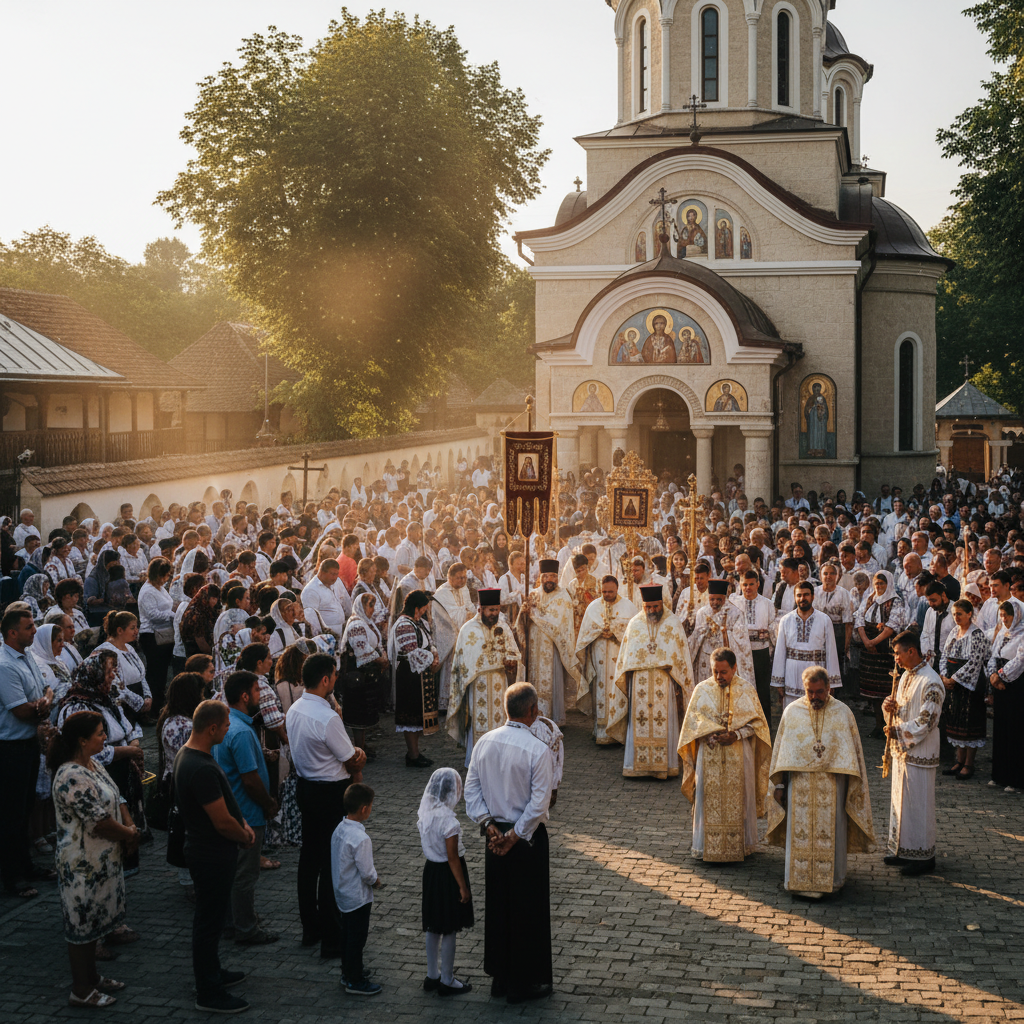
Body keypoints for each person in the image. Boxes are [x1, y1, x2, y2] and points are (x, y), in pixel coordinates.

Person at [464, 682, 553, 1005]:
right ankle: (522, 983)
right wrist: (515, 836)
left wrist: (489, 826)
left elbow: (471, 790)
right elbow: (539, 802)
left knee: (499, 906)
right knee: (527, 910)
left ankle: (500, 977)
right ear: (532, 712)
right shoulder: (537, 749)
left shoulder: (484, 742)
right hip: (525, 840)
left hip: (494, 838)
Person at [49, 710, 138, 1008]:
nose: (105, 737)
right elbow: (97, 821)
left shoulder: (94, 765)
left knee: (97, 919)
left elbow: (116, 796)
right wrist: (127, 833)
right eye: (100, 733)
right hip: (82, 864)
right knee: (82, 928)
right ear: (83, 740)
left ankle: (93, 977)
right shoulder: (70, 775)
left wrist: (129, 823)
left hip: (104, 860)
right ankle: (81, 989)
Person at [766, 666, 875, 898]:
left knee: (831, 831)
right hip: (799, 787)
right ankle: (799, 880)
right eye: (810, 692)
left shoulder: (843, 713)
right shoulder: (792, 712)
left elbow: (852, 756)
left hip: (832, 786)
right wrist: (780, 786)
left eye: (819, 692)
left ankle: (833, 880)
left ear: (828, 689)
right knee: (799, 832)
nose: (815, 697)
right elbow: (782, 755)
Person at [173, 699, 253, 1013]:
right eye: (225, 725)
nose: (228, 729)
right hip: (211, 854)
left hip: (207, 851)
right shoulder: (201, 767)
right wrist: (244, 835)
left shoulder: (188, 754)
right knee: (208, 923)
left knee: (213, 920)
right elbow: (220, 820)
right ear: (212, 728)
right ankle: (208, 991)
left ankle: (212, 972)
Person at [286, 652, 366, 959]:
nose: (335, 679)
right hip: (332, 792)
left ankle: (311, 928)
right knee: (333, 863)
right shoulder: (328, 717)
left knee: (309, 860)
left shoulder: (295, 709)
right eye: (333, 675)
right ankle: (332, 938)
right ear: (324, 680)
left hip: (307, 788)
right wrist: (359, 757)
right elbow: (350, 757)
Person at [678, 648, 771, 862]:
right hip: (708, 757)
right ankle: (706, 846)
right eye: (715, 672)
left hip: (739, 755)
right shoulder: (702, 689)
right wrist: (707, 735)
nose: (719, 677)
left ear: (734, 668)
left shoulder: (746, 690)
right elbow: (691, 724)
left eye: (724, 672)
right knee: (706, 797)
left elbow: (758, 726)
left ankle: (741, 845)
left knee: (741, 796)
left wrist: (737, 734)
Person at [213, 671, 280, 947]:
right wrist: (268, 803)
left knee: (235, 872)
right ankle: (246, 927)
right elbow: (249, 779)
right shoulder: (239, 731)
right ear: (244, 696)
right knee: (245, 875)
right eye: (256, 690)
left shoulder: (232, 725)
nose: (259, 695)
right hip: (248, 812)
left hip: (237, 810)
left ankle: (234, 920)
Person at [607, 585, 695, 779]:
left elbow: (681, 657)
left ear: (662, 604)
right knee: (639, 720)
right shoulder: (635, 624)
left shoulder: (673, 622)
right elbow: (626, 658)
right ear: (643, 605)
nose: (653, 611)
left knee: (664, 721)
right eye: (649, 607)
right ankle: (636, 766)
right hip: (639, 682)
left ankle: (666, 766)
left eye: (656, 606)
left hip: (664, 681)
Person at [0, 607, 54, 898]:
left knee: (24, 810)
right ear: (12, 632)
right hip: (10, 748)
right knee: (11, 814)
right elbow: (21, 711)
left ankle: (26, 864)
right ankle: (12, 876)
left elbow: (47, 689)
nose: (35, 631)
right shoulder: (4, 665)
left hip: (29, 744)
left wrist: (43, 702)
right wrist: (40, 707)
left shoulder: (27, 656)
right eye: (30, 627)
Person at [883, 631, 946, 877]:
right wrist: (889, 705)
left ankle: (924, 856)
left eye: (898, 653)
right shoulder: (907, 676)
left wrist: (898, 731)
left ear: (912, 651)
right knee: (902, 802)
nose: (895, 658)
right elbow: (903, 705)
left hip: (920, 751)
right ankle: (904, 850)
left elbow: (927, 720)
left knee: (918, 805)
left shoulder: (931, 681)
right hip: (903, 752)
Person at [447, 589, 522, 764]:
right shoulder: (468, 630)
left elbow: (513, 653)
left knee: (500, 720)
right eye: (490, 610)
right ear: (480, 609)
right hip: (477, 684)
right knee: (478, 720)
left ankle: (499, 760)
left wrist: (511, 663)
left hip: (499, 683)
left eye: (497, 610)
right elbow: (462, 662)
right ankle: (478, 761)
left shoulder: (503, 628)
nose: (494, 614)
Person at [418, 767, 473, 996]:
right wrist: (462, 885)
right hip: (448, 876)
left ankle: (432, 974)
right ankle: (447, 979)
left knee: (433, 925)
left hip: (431, 872)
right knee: (449, 927)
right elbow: (452, 857)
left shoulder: (425, 814)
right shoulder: (449, 822)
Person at [514, 559, 581, 725]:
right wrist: (524, 613)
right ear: (541, 577)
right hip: (534, 649)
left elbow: (559, 625)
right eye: (546, 576)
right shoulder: (533, 594)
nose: (549, 580)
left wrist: (535, 615)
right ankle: (531, 715)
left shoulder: (563, 596)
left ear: (557, 578)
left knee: (552, 683)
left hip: (553, 648)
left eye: (553, 576)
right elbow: (521, 624)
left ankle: (553, 717)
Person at [331, 783, 382, 996]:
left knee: (347, 934)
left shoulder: (339, 829)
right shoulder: (361, 839)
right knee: (357, 938)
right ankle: (355, 979)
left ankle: (348, 969)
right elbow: (367, 873)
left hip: (342, 892)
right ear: (364, 809)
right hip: (357, 896)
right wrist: (377, 882)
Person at [575, 575, 637, 745]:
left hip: (619, 655)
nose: (607, 594)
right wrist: (599, 632)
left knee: (618, 687)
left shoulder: (628, 607)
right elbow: (584, 635)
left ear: (617, 589)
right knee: (600, 689)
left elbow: (634, 634)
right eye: (604, 592)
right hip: (599, 654)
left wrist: (615, 631)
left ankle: (619, 732)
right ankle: (601, 732)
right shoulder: (593, 607)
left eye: (611, 591)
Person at [938, 598, 991, 779]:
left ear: (970, 614)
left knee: (970, 723)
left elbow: (975, 662)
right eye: (954, 614)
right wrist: (944, 675)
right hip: (953, 681)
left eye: (959, 614)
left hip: (971, 683)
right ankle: (958, 761)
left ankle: (969, 764)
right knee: (956, 721)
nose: (956, 617)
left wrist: (955, 678)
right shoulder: (954, 631)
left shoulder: (977, 635)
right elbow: (944, 654)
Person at [770, 582, 842, 712]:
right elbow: (780, 652)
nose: (802, 598)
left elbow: (831, 652)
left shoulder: (824, 620)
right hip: (792, 677)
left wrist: (832, 682)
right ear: (795, 597)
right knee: (793, 715)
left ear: (813, 596)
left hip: (817, 678)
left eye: (806, 595)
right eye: (799, 595)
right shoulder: (786, 620)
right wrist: (778, 682)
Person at [388, 590, 440, 767]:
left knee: (419, 714)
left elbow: (429, 642)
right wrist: (431, 658)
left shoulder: (419, 622)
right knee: (410, 714)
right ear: (416, 608)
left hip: (419, 673)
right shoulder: (404, 624)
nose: (425, 612)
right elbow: (411, 651)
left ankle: (415, 752)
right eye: (424, 609)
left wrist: (433, 653)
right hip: (409, 675)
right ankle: (412, 755)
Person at [855, 570, 908, 735]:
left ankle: (890, 725)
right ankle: (878, 725)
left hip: (886, 648)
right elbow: (859, 618)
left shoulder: (895, 602)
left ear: (889, 584)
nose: (878, 587)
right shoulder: (870, 598)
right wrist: (866, 641)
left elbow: (892, 626)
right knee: (873, 690)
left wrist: (874, 642)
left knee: (887, 688)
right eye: (876, 583)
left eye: (882, 584)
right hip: (869, 647)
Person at [339, 593, 387, 755]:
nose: (372, 609)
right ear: (361, 606)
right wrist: (380, 659)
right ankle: (358, 749)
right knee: (358, 712)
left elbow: (376, 643)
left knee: (365, 710)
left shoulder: (366, 622)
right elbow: (362, 649)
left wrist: (382, 656)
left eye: (373, 605)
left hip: (366, 673)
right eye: (370, 605)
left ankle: (363, 746)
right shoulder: (356, 624)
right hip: (356, 674)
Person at [729, 569, 777, 728]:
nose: (748, 588)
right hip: (741, 654)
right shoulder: (734, 602)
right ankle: (743, 724)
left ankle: (764, 727)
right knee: (742, 688)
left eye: (751, 584)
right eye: (745, 584)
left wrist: (767, 633)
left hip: (760, 652)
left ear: (758, 584)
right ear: (740, 585)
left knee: (763, 691)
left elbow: (773, 626)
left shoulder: (767, 603)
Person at [687, 579, 755, 687]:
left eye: (719, 599)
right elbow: (695, 638)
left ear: (725, 598)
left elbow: (742, 642)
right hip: (706, 659)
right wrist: (702, 633)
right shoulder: (702, 613)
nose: (715, 603)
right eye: (712, 599)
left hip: (725, 659)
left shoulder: (736, 613)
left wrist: (725, 633)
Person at [987, 601, 1024, 792]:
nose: (1004, 619)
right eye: (1001, 615)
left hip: (1016, 686)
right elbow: (994, 654)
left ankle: (1016, 778)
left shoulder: (1023, 634)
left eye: (1007, 615)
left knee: (1015, 731)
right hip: (1000, 685)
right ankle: (1000, 775)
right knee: (1001, 729)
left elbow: (1020, 659)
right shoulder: (1002, 633)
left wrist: (1000, 675)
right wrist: (993, 675)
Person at [431, 563, 476, 712]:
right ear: (449, 577)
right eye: (459, 578)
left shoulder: (464, 588)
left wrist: (470, 612)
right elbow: (449, 615)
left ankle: (461, 700)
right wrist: (466, 612)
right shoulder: (441, 593)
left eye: (464, 577)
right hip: (449, 637)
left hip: (463, 636)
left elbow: (469, 606)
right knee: (449, 672)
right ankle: (446, 704)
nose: (462, 581)